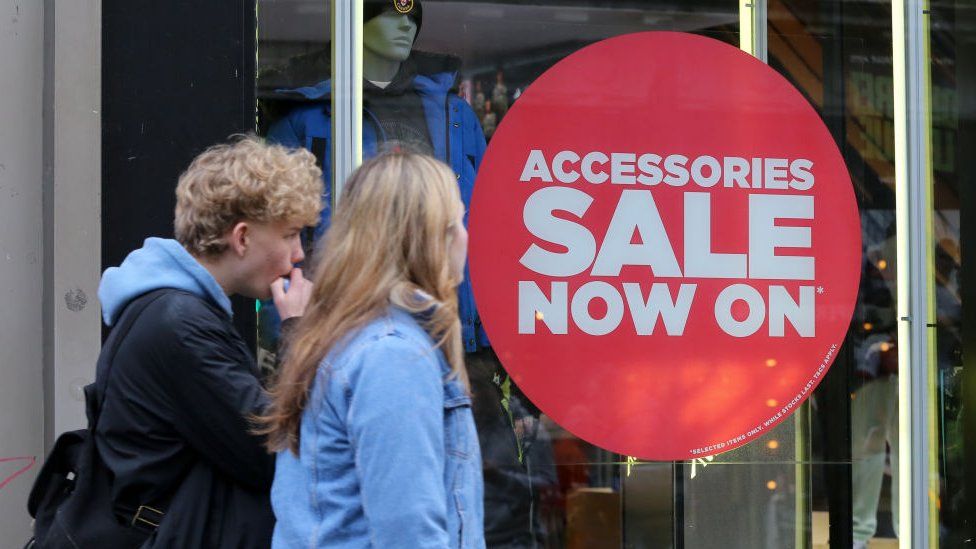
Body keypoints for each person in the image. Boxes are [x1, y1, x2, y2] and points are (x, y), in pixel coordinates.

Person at [93, 136, 322, 547]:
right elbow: (274, 453)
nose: (299, 253)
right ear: (242, 238)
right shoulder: (181, 327)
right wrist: (297, 332)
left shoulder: (171, 310)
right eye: (290, 235)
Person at [260, 152, 485, 548]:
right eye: (455, 224)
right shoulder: (393, 355)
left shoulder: (345, 334)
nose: (466, 237)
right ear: (429, 239)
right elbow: (409, 533)